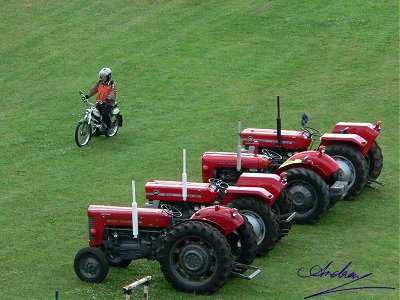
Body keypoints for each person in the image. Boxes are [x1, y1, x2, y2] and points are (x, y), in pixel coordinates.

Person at [82, 67, 118, 133]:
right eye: (101, 76)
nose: (102, 78)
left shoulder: (113, 84)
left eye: (104, 77)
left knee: (104, 114)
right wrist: (87, 96)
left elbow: (112, 94)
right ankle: (98, 129)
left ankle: (109, 127)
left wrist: (106, 101)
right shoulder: (99, 82)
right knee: (95, 115)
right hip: (99, 103)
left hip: (108, 104)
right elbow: (93, 89)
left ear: (108, 76)